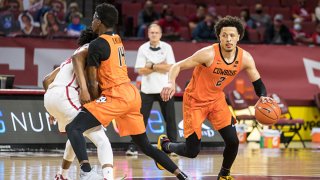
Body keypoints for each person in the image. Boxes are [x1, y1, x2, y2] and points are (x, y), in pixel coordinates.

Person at [65, 3, 189, 180]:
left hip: (116, 95)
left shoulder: (96, 44)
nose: (91, 21)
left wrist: (93, 104)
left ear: (98, 21)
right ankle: (181, 174)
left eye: (93, 18)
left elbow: (92, 83)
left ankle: (86, 172)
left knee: (73, 127)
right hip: (132, 94)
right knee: (145, 145)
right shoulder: (116, 38)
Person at [158, 16, 274, 180]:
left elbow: (257, 81)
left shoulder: (245, 58)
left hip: (216, 101)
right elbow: (178, 66)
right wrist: (170, 83)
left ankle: (224, 175)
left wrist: (262, 96)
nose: (228, 39)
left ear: (238, 37)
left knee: (233, 141)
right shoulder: (207, 54)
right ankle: (166, 145)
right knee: (192, 152)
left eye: (232, 35)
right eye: (224, 35)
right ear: (219, 36)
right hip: (194, 101)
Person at [43, 29, 114, 180]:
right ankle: (105, 176)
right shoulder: (92, 50)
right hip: (66, 96)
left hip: (50, 97)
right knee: (101, 139)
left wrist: (52, 110)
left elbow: (46, 80)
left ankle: (62, 175)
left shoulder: (69, 58)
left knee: (75, 133)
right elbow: (91, 82)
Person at [126, 23, 177, 156]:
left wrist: (152, 65)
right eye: (151, 32)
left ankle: (173, 147)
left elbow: (170, 67)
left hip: (165, 88)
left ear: (160, 34)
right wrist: (160, 66)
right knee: (140, 120)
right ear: (148, 34)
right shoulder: (143, 48)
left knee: (170, 119)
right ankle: (133, 147)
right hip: (147, 89)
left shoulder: (167, 47)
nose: (154, 35)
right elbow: (140, 70)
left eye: (156, 32)